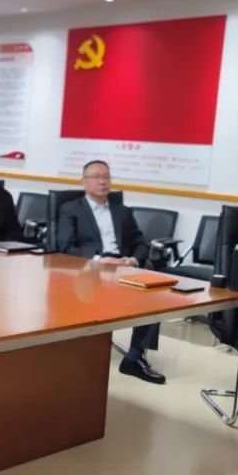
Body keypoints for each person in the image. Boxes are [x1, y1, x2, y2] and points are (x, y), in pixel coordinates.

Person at [57, 160, 165, 384]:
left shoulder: (122, 211)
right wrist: (98, 260)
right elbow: (64, 247)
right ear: (83, 181)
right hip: (90, 269)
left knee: (154, 296)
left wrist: (133, 260)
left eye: (106, 176)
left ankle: (134, 357)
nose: (103, 181)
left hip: (123, 267)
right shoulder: (71, 209)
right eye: (96, 176)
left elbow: (140, 243)